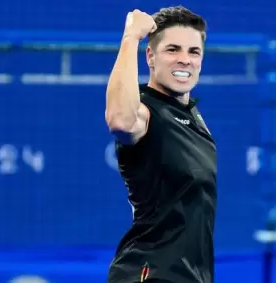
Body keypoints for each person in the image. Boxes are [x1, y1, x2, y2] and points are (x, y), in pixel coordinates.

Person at [105, 6, 217, 283]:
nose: (185, 60)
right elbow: (120, 119)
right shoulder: (145, 110)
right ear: (151, 56)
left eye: (194, 52)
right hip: (149, 273)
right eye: (172, 50)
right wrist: (131, 37)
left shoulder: (195, 118)